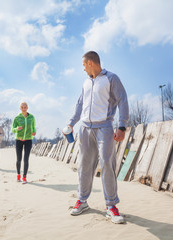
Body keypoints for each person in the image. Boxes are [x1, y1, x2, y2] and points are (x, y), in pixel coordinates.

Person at [68, 51, 129, 224]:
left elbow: (123, 101)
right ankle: (82, 200)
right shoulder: (86, 82)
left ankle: (111, 206)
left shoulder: (111, 78)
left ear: (90, 63)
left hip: (105, 127)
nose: (83, 68)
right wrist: (72, 123)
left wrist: (122, 126)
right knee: (84, 166)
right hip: (85, 128)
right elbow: (80, 104)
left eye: (83, 65)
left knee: (107, 165)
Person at [12, 102, 36, 184]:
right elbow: (12, 129)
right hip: (19, 140)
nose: (24, 108)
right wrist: (16, 129)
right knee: (19, 159)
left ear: (27, 108)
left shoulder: (31, 117)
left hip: (28, 140)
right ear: (20, 108)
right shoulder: (17, 118)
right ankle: (18, 175)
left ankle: (24, 177)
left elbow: (34, 127)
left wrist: (34, 132)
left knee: (26, 159)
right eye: (22, 107)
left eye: (25, 107)